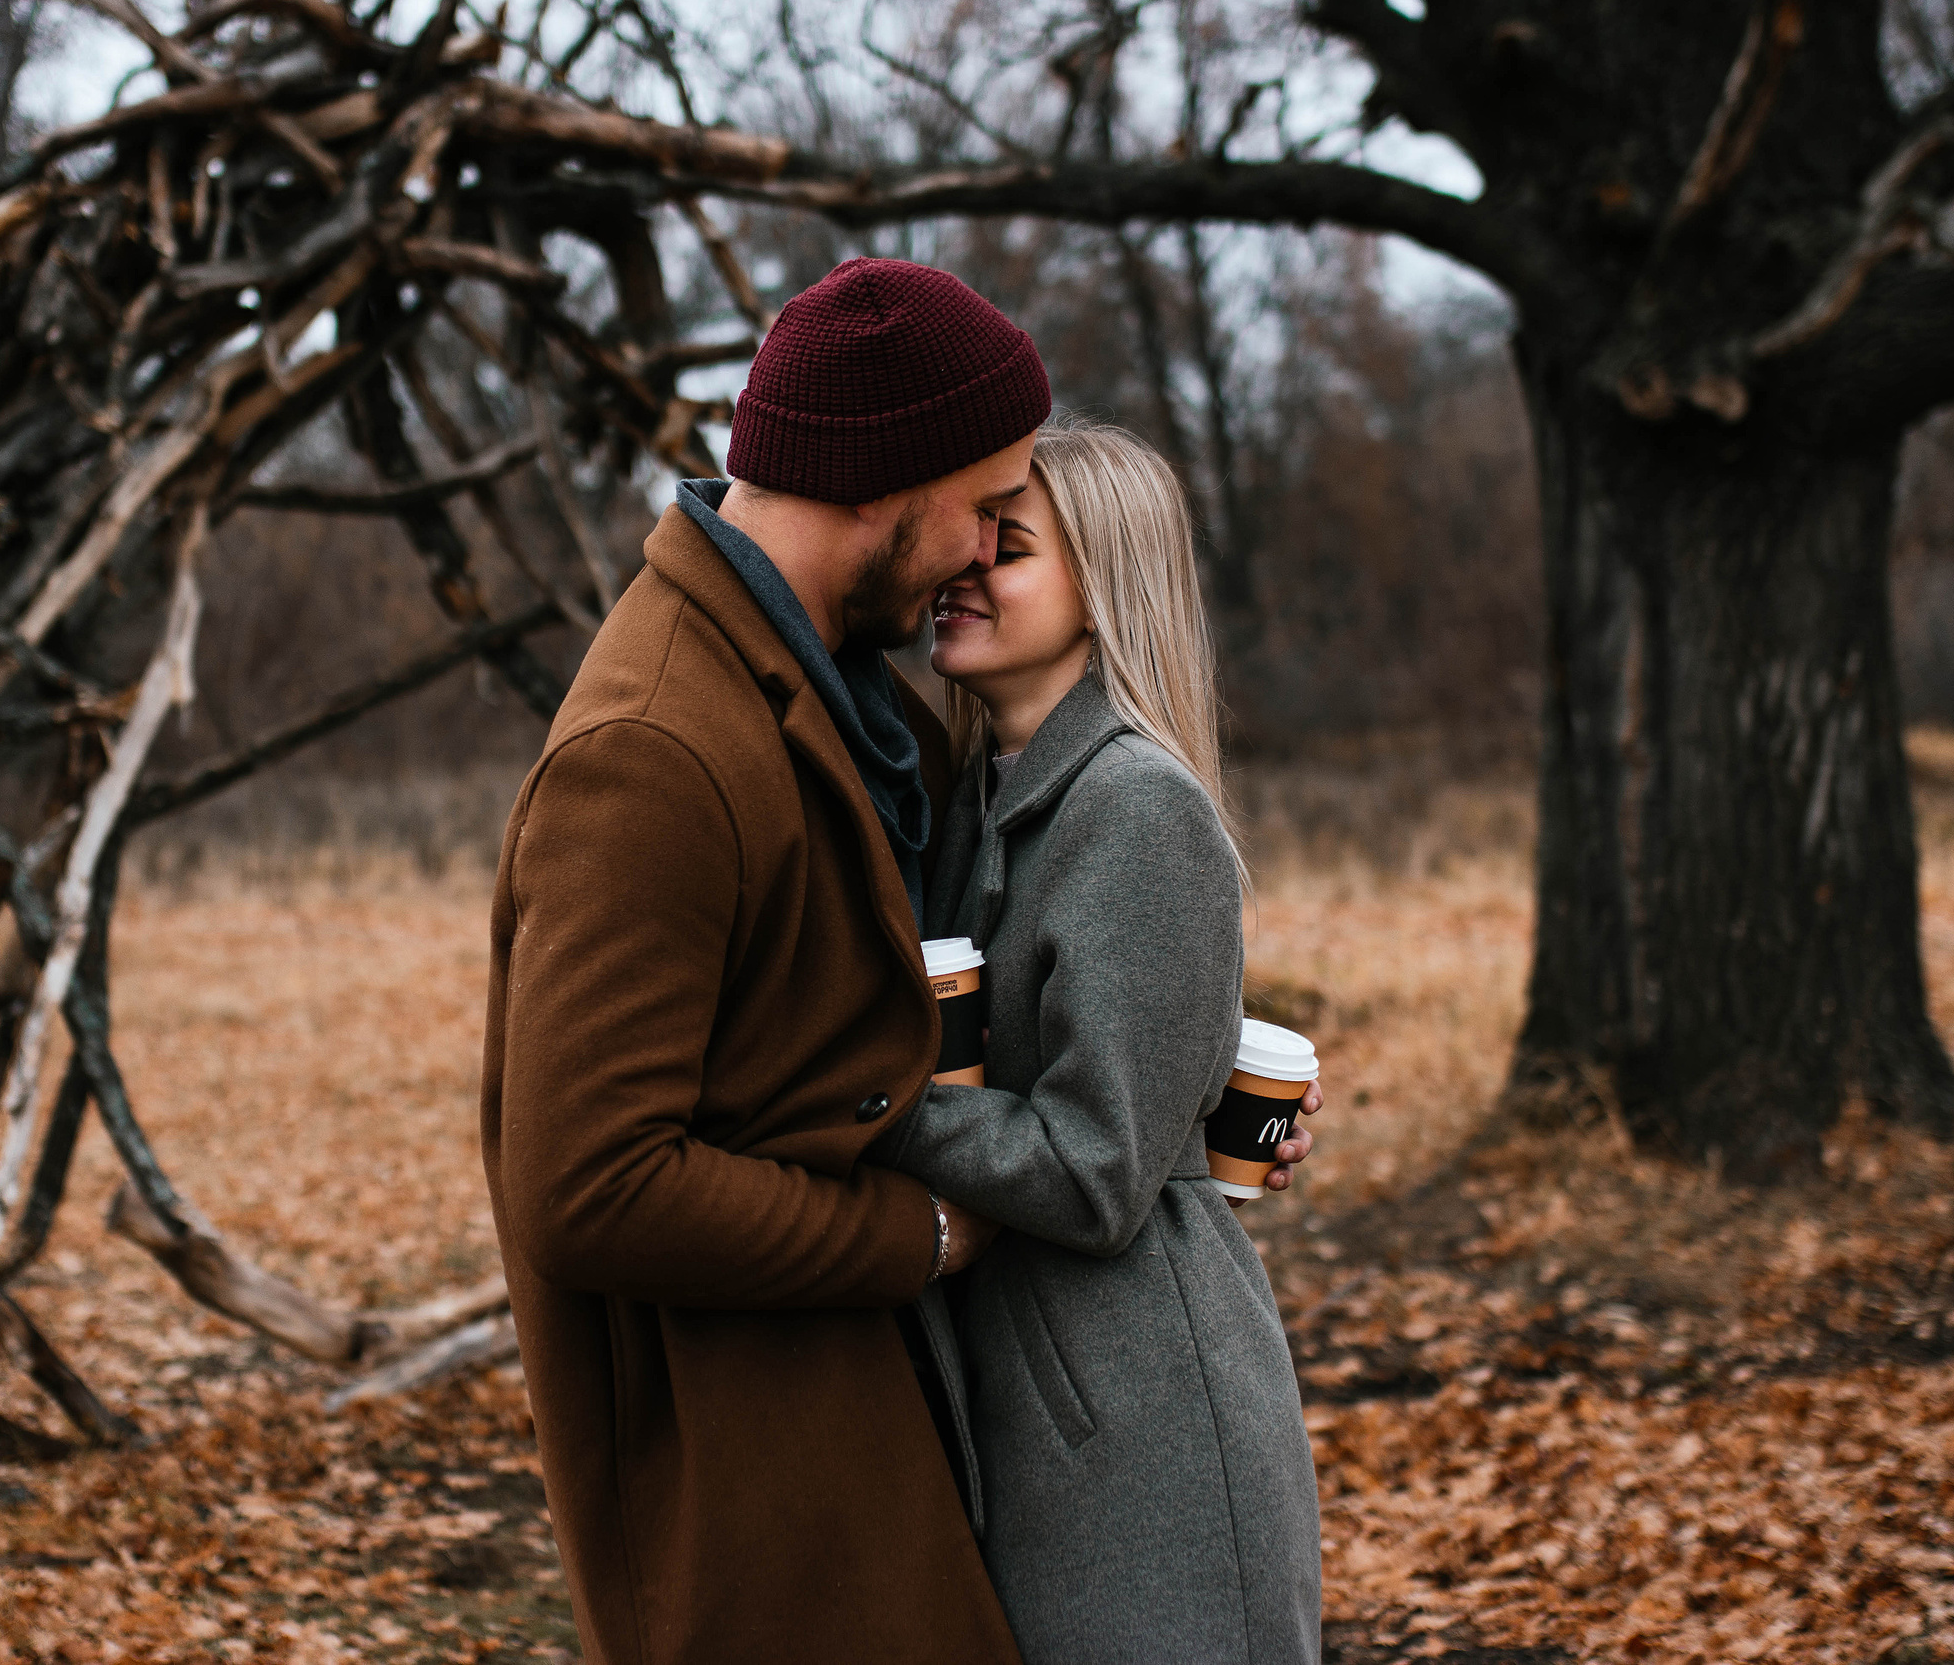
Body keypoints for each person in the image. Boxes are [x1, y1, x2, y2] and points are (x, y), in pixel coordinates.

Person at [479, 257, 1048, 1663]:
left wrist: (1181, 1084)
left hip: (884, 1432)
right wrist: (916, 1236)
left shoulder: (838, 694)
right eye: (984, 504)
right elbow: (588, 1184)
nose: (990, 547)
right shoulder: (655, 751)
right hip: (761, 1501)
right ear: (878, 480)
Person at [872, 417, 1325, 1664]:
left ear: (1103, 587)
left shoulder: (1136, 808)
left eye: (1007, 547)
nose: (962, 567)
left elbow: (1095, 1171)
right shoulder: (976, 798)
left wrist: (874, 1104)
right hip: (1045, 1410)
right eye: (969, 536)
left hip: (1144, 1437)